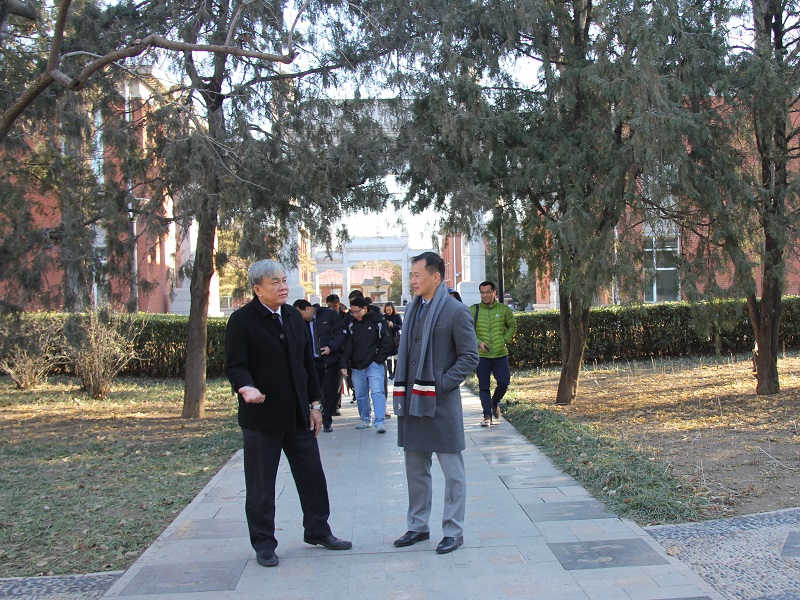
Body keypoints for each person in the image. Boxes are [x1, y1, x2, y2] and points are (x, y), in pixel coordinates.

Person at [224, 259, 351, 568]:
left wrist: (315, 405)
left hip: (298, 416)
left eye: (284, 280)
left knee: (312, 476)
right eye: (275, 283)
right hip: (262, 419)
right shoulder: (241, 320)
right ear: (258, 289)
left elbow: (308, 364)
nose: (283, 287)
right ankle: (264, 543)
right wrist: (246, 387)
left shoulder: (293, 316)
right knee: (261, 485)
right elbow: (236, 365)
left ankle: (318, 530)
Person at [392, 252, 479, 555]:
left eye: (417, 275)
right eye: (411, 275)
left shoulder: (456, 311)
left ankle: (453, 531)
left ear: (436, 277)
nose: (412, 281)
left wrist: (441, 383)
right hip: (413, 402)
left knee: (453, 473)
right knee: (415, 470)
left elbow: (469, 356)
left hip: (441, 404)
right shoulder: (412, 309)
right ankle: (418, 526)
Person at [293, 299, 347, 432]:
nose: (300, 317)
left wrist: (331, 347)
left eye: (301, 314)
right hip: (312, 362)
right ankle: (314, 417)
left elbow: (341, 333)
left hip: (330, 360)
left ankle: (327, 420)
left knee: (330, 391)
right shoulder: (301, 323)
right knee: (314, 391)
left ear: (307, 309)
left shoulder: (329, 315)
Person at [340, 296, 394, 433]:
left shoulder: (378, 321)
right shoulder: (352, 324)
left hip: (374, 364)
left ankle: (380, 421)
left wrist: (378, 359)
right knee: (360, 394)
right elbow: (348, 345)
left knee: (377, 392)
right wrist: (344, 363)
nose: (355, 314)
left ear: (365, 308)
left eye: (357, 311)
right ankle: (365, 419)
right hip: (357, 365)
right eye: (352, 312)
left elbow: (387, 342)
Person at [470, 280, 517, 427]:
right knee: (484, 386)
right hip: (482, 356)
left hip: (500, 354)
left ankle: (495, 402)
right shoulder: (474, 310)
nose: (485, 295)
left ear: (494, 293)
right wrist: (479, 342)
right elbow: (468, 330)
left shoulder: (504, 309)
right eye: (482, 293)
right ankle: (487, 415)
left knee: (504, 382)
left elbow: (512, 326)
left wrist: (503, 339)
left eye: (488, 292)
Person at [383, 302, 403, 379]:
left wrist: (393, 325)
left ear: (393, 309)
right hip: (387, 339)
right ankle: (390, 372)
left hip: (395, 338)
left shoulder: (397, 316)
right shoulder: (384, 317)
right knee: (388, 356)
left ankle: (395, 372)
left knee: (396, 356)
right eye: (387, 310)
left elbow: (401, 326)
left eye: (389, 310)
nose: (388, 311)